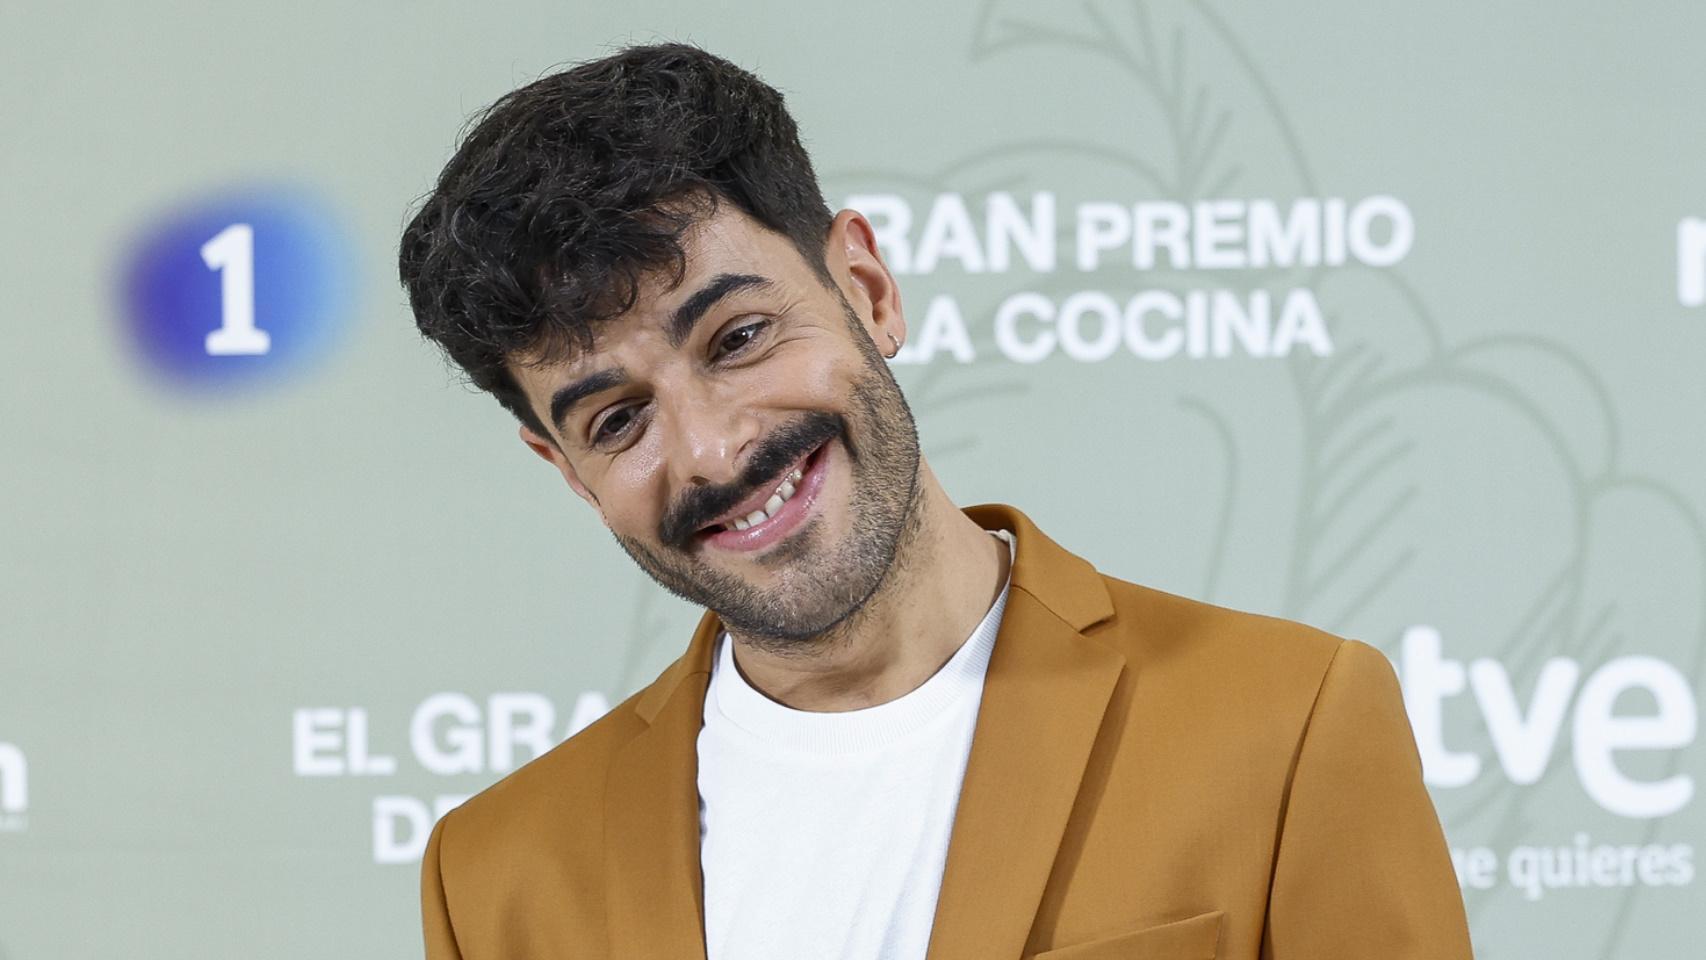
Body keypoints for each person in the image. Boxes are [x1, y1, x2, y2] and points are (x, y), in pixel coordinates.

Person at [397, 42, 1472, 960]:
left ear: (865, 288)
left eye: (738, 338)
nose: (715, 449)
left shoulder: (1287, 720)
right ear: (568, 472)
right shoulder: (493, 879)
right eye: (617, 420)